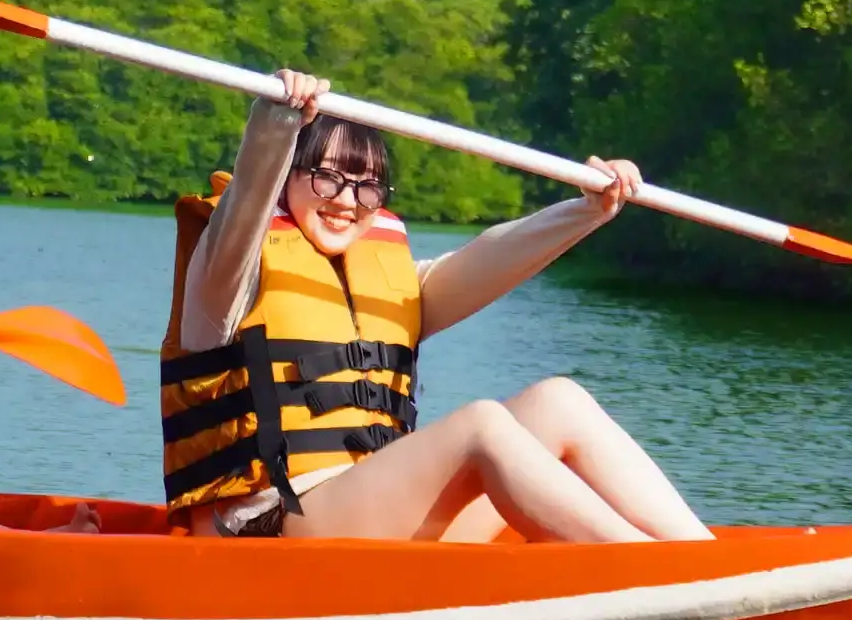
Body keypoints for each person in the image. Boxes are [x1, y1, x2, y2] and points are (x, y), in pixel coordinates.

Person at [160, 70, 710, 543]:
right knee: (481, 425)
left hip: (383, 516)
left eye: (368, 187)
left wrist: (589, 209)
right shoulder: (226, 279)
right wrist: (275, 124)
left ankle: (700, 559)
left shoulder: (393, 284)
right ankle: (652, 571)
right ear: (287, 178)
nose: (347, 201)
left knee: (559, 400)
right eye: (327, 179)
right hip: (277, 525)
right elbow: (244, 211)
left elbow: (489, 258)